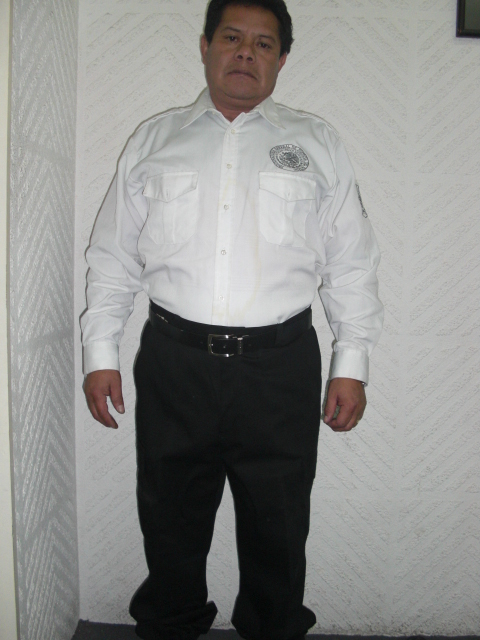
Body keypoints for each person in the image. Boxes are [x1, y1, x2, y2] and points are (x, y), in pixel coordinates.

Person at [82, 1, 383, 639]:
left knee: (280, 526)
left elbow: (351, 264)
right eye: (232, 37)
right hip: (174, 364)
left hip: (280, 368)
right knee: (169, 520)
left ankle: (273, 628)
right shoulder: (154, 140)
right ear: (206, 46)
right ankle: (171, 625)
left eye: (264, 44)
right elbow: (112, 257)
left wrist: (351, 363)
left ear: (282, 59)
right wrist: (99, 353)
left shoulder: (317, 144)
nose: (246, 53)